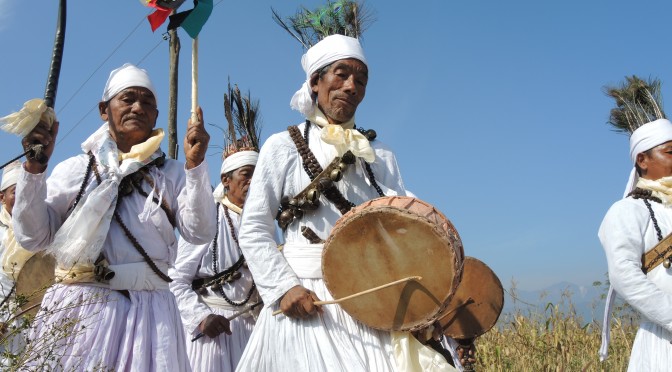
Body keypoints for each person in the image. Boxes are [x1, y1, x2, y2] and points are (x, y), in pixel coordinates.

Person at [236, 2, 455, 371]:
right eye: (341, 74)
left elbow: (405, 224)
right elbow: (254, 228)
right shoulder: (282, 146)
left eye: (361, 78)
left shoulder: (380, 154)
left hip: (371, 297)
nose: (351, 86)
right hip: (308, 298)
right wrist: (282, 288)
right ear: (315, 82)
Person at [12, 63, 216, 371]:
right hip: (78, 312)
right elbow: (34, 237)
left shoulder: (173, 172)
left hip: (149, 316)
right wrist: (35, 171)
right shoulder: (74, 170)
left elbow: (200, 232)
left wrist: (196, 166)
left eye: (147, 102)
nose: (138, 107)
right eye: (128, 98)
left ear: (156, 117)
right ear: (104, 110)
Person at [170, 83, 262, 372]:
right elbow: (177, 281)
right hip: (211, 337)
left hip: (252, 336)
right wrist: (201, 318)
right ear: (226, 181)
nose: (253, 183)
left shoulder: (263, 225)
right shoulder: (207, 217)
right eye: (246, 175)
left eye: (259, 177)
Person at [599, 76, 672, 370]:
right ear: (642, 159)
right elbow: (623, 275)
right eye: (670, 153)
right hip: (662, 343)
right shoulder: (627, 212)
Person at [0, 160, 31, 365]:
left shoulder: (38, 227)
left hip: (33, 315)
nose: (20, 196)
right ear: (2, 197)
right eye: (14, 191)